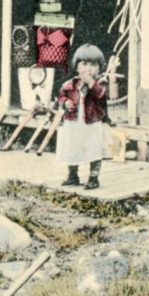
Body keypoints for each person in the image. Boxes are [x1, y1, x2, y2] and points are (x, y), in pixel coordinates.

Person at [56, 44, 108, 189]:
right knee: (72, 147)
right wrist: (65, 102)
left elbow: (100, 95)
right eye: (84, 64)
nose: (88, 68)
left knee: (93, 148)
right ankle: (73, 175)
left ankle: (93, 178)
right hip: (74, 121)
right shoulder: (70, 84)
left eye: (93, 64)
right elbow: (60, 97)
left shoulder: (101, 83)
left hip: (92, 122)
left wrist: (91, 82)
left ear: (100, 67)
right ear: (76, 66)